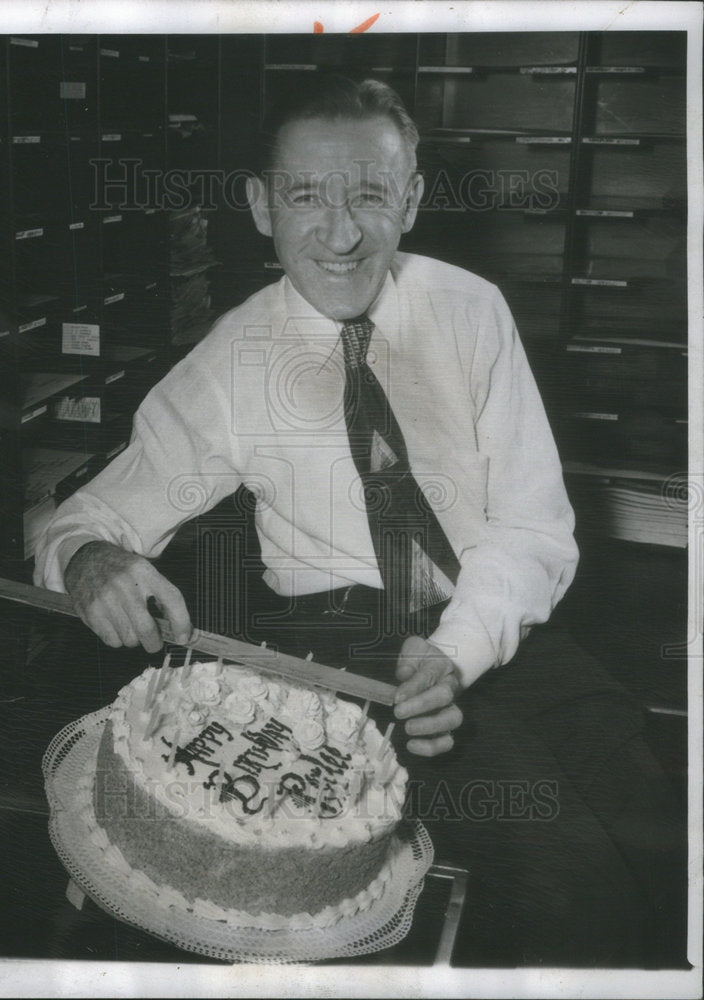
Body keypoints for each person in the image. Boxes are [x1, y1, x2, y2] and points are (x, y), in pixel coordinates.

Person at [34, 76, 685, 965]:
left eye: (369, 195)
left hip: (489, 622)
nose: (340, 234)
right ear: (262, 205)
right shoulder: (232, 359)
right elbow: (83, 520)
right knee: (570, 885)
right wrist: (90, 561)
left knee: (658, 830)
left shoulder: (472, 312)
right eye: (306, 196)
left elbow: (534, 528)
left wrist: (458, 648)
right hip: (345, 649)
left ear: (410, 200)